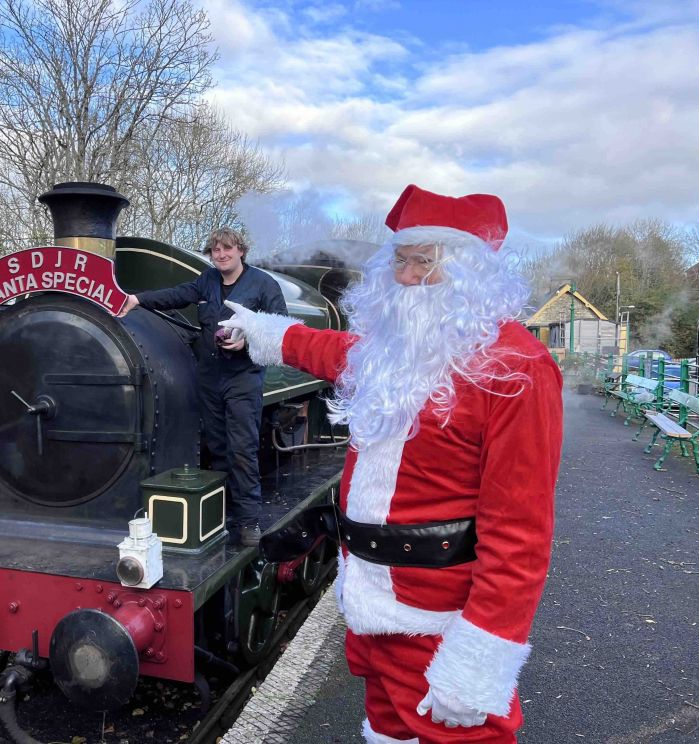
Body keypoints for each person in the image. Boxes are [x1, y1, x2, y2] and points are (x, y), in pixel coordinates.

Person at [220, 184, 563, 743]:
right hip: (370, 599)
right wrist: (262, 332)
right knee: (386, 729)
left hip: (440, 619)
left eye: (422, 262)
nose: (404, 276)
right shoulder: (392, 347)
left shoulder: (517, 366)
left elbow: (521, 535)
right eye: (399, 260)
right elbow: (328, 351)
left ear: (470, 272)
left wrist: (479, 654)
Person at [119, 228, 287, 547]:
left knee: (242, 449)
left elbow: (281, 329)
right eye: (215, 250)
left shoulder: (264, 284)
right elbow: (177, 295)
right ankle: (221, 512)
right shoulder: (207, 280)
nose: (220, 255)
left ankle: (249, 520)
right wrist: (138, 299)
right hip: (210, 377)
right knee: (219, 447)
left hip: (243, 377)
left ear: (240, 250)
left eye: (226, 249)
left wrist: (247, 341)